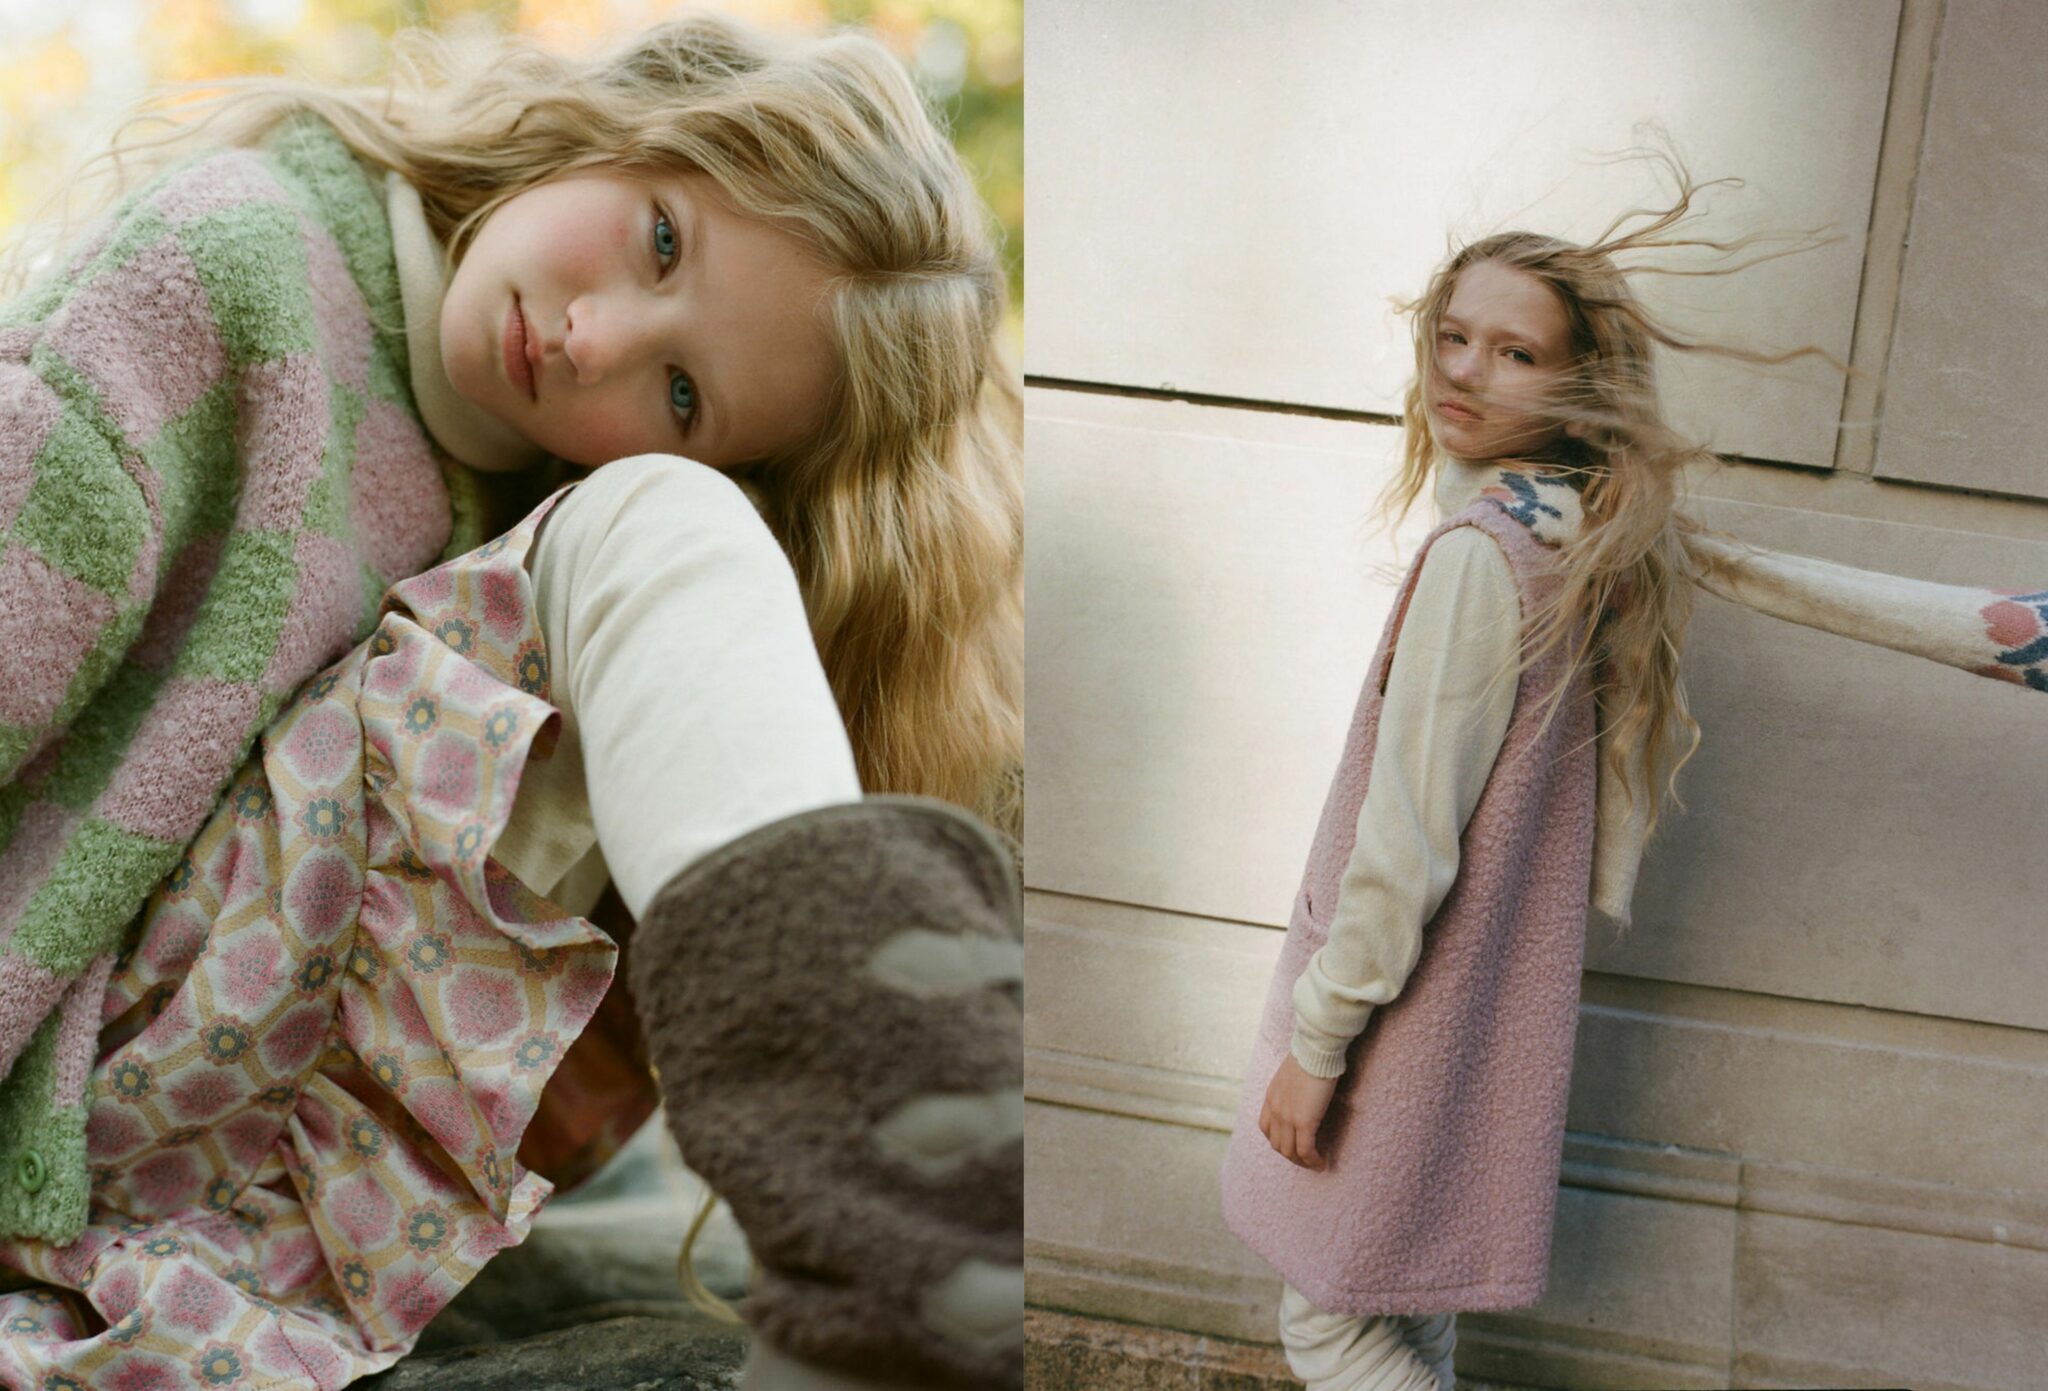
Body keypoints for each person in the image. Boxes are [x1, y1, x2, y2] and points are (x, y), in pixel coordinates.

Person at [0, 14, 1021, 1391]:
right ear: (634, 124)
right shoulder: (240, 263)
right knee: (660, 522)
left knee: (679, 537)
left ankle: (905, 1187)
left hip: (212, 1126)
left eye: (681, 390)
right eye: (662, 240)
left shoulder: (535, 506)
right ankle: (896, 1168)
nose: (592, 341)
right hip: (64, 1070)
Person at [1216, 164, 2043, 1391]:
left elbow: (1405, 839)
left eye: (1511, 354)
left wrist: (1318, 1040)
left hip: (1399, 1004)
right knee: (1403, 1303)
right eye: (1451, 336)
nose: (1459, 371)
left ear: (1575, 386)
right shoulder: (1575, 532)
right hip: (1479, 995)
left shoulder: (1481, 556)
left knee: (1329, 1322)